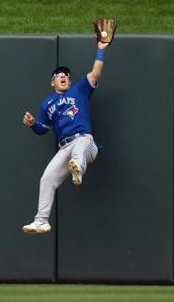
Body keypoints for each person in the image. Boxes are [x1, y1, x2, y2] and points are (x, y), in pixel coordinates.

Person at [22, 41, 109, 234]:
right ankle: (41, 220)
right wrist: (32, 125)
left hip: (84, 141)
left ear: (69, 81)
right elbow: (42, 129)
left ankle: (78, 167)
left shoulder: (79, 90)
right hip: (64, 148)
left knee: (79, 152)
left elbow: (96, 72)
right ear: (53, 82)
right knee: (47, 178)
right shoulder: (47, 104)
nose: (63, 77)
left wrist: (101, 49)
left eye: (66, 76)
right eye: (58, 76)